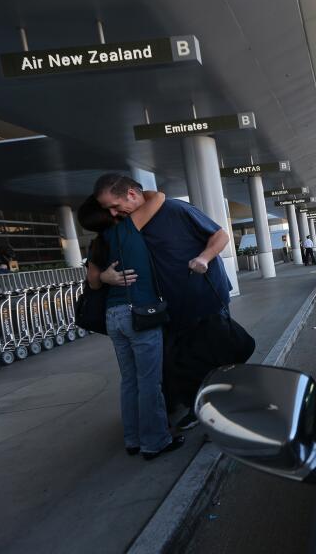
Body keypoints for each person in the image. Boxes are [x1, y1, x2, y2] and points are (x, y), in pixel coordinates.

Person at [94, 173, 232, 431]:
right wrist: (105, 276)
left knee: (214, 357)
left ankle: (222, 413)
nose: (113, 213)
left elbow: (220, 236)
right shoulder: (131, 225)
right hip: (167, 309)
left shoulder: (175, 209)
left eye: (115, 205)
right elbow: (96, 267)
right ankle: (197, 408)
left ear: (133, 195)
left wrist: (203, 258)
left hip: (204, 300)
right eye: (108, 209)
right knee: (181, 361)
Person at [78, 191, 186, 461]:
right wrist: (123, 196)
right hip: (139, 313)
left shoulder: (99, 242)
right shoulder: (129, 227)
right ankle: (155, 442)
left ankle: (134, 439)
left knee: (130, 381)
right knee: (150, 381)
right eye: (111, 208)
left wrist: (105, 276)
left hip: (113, 316)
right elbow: (158, 196)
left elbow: (93, 281)